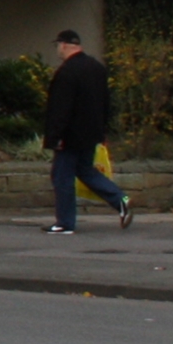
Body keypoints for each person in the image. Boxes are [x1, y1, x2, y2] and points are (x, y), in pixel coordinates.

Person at [41, 28, 131, 233]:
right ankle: (121, 200)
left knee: (62, 177)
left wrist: (54, 136)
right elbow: (105, 102)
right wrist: (102, 130)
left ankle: (65, 223)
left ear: (63, 45)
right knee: (85, 171)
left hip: (69, 135)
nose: (58, 50)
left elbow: (60, 108)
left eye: (58, 46)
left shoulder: (66, 72)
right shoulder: (97, 68)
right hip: (91, 133)